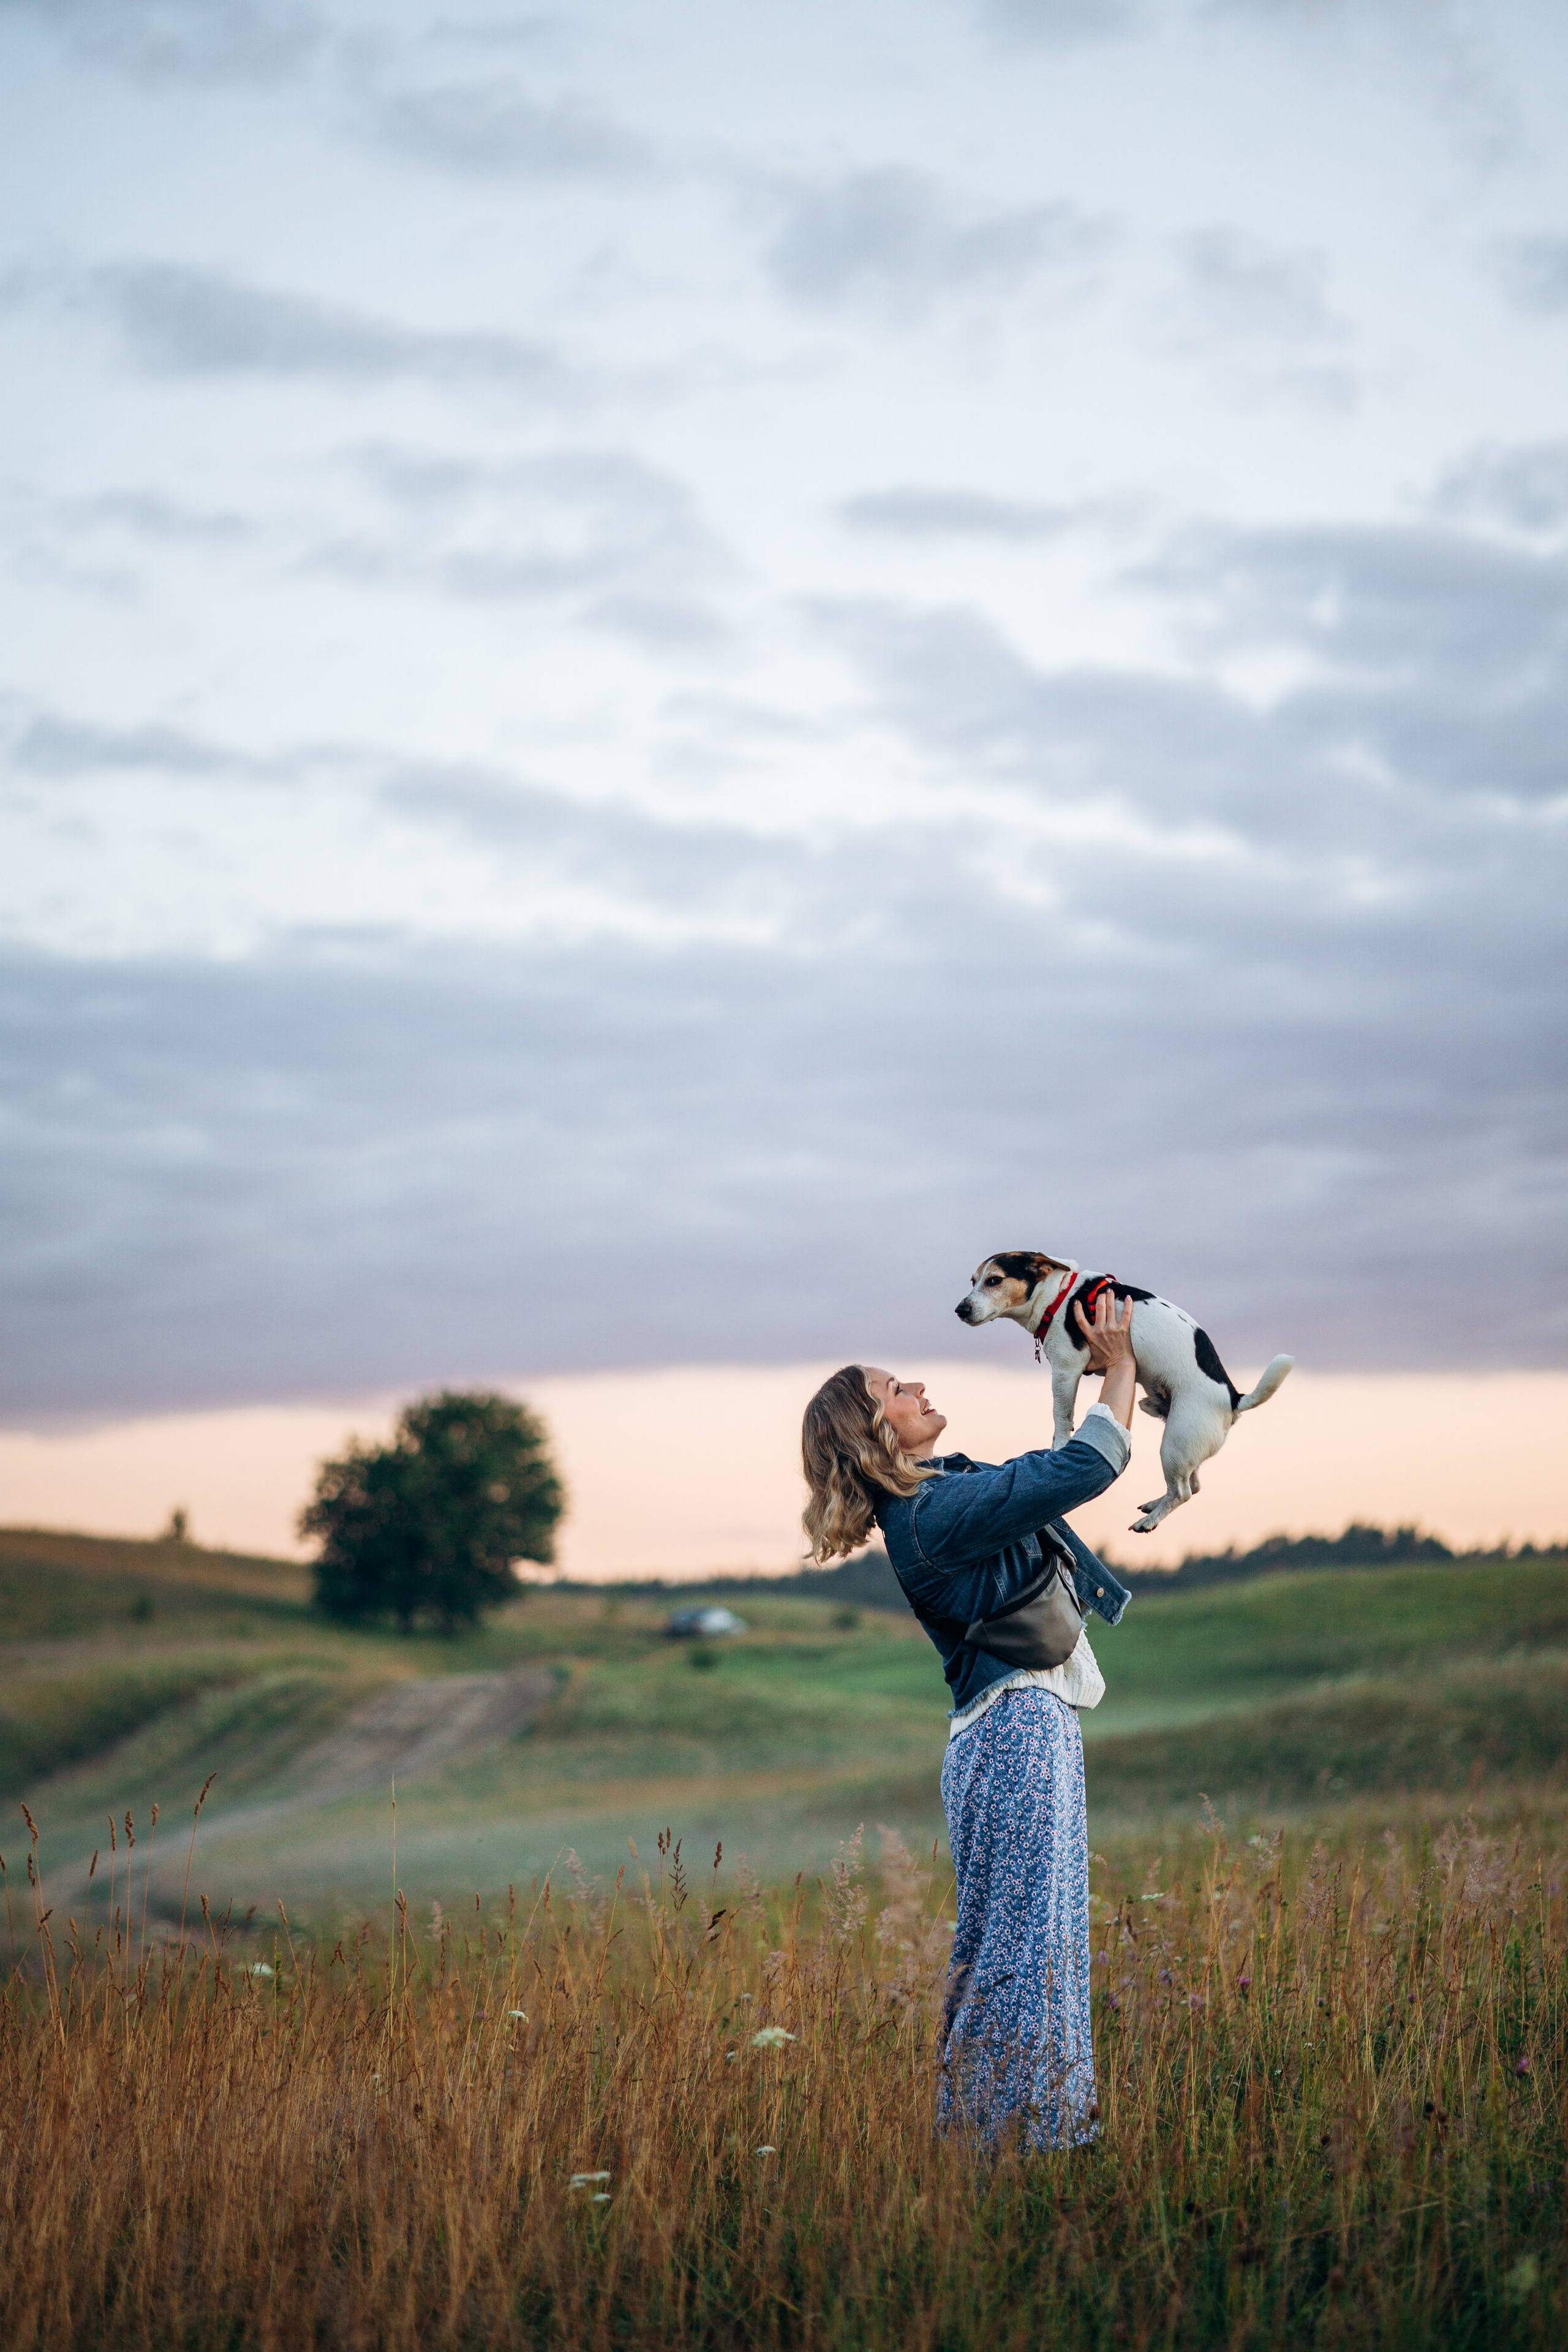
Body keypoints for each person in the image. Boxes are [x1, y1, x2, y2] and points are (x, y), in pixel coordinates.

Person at [800, 1289, 1137, 2150]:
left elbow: (1036, 1477)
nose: (916, 1386)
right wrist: (1125, 1366)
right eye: (895, 1390)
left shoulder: (941, 1494)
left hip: (1017, 1728)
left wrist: (1077, 1367)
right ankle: (1008, 2145)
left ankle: (1022, 2134)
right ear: (877, 1429)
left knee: (1032, 1938)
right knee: (1024, 1949)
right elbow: (1079, 1472)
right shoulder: (933, 1515)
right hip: (1015, 1731)